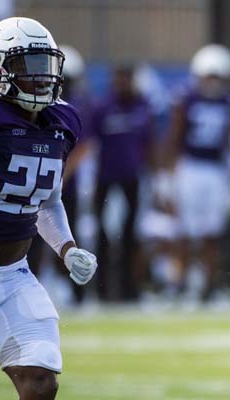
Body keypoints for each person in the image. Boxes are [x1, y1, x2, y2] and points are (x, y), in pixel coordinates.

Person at [0, 17, 98, 399]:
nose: (40, 77)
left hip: (11, 275)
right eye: (26, 67)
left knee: (40, 380)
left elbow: (48, 200)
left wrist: (67, 249)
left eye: (45, 66)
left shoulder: (62, 122)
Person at [164, 44, 230, 301]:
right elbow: (174, 137)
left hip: (216, 169)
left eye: (218, 76)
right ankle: (178, 283)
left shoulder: (229, 101)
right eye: (209, 76)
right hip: (191, 166)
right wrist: (167, 175)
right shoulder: (187, 98)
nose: (213, 82)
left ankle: (209, 286)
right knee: (183, 229)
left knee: (212, 232)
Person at [91, 65, 155, 302]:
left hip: (132, 178)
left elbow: (149, 144)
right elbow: (90, 142)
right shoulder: (102, 107)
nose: (123, 84)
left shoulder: (142, 106)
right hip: (106, 179)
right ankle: (101, 290)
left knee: (131, 236)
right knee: (104, 236)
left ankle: (130, 290)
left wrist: (156, 178)